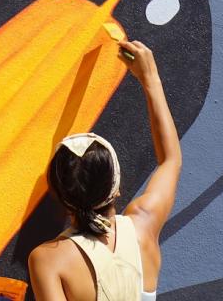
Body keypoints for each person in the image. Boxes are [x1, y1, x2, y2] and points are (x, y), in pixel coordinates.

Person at [28, 39, 181, 301]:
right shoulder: (144, 225)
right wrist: (150, 78)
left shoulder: (49, 260)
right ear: (116, 188)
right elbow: (170, 159)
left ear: (58, 195)